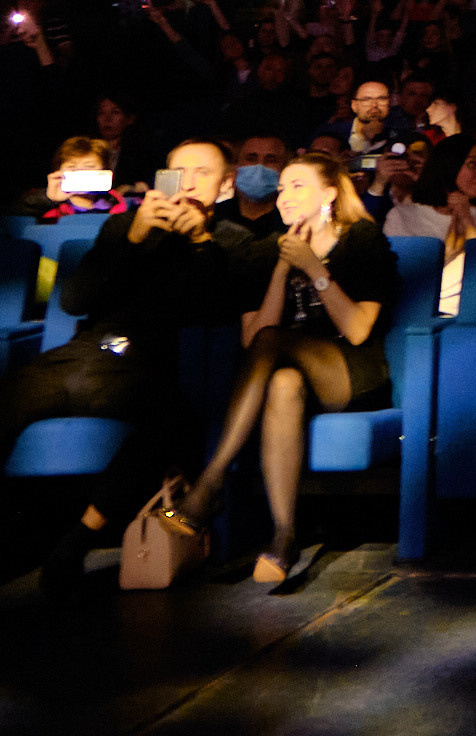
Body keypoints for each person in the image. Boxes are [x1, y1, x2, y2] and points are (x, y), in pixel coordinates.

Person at [0, 141, 240, 596]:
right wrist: (131, 237)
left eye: (202, 173)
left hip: (144, 364)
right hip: (84, 353)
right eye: (178, 172)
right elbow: (75, 300)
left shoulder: (230, 240)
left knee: (170, 421)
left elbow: (219, 309)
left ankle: (76, 543)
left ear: (225, 185)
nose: (187, 182)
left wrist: (200, 243)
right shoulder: (124, 227)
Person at [159, 153, 400, 584]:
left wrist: (313, 268)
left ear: (329, 194)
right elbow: (254, 340)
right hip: (290, 363)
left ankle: (210, 483)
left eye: (298, 186)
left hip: (350, 368)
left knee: (277, 347)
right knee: (283, 381)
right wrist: (283, 267)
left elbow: (360, 330)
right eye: (283, 187)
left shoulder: (362, 239)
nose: (285, 196)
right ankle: (283, 538)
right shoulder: (270, 247)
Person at [382, 135, 476, 316]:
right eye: (472, 165)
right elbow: (401, 276)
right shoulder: (403, 216)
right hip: (415, 311)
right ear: (448, 167)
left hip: (475, 313)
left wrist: (465, 218)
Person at [216, 133, 293, 240]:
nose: (259, 166)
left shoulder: (291, 223)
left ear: (285, 167)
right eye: (251, 159)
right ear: (236, 165)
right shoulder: (216, 217)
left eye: (271, 160)